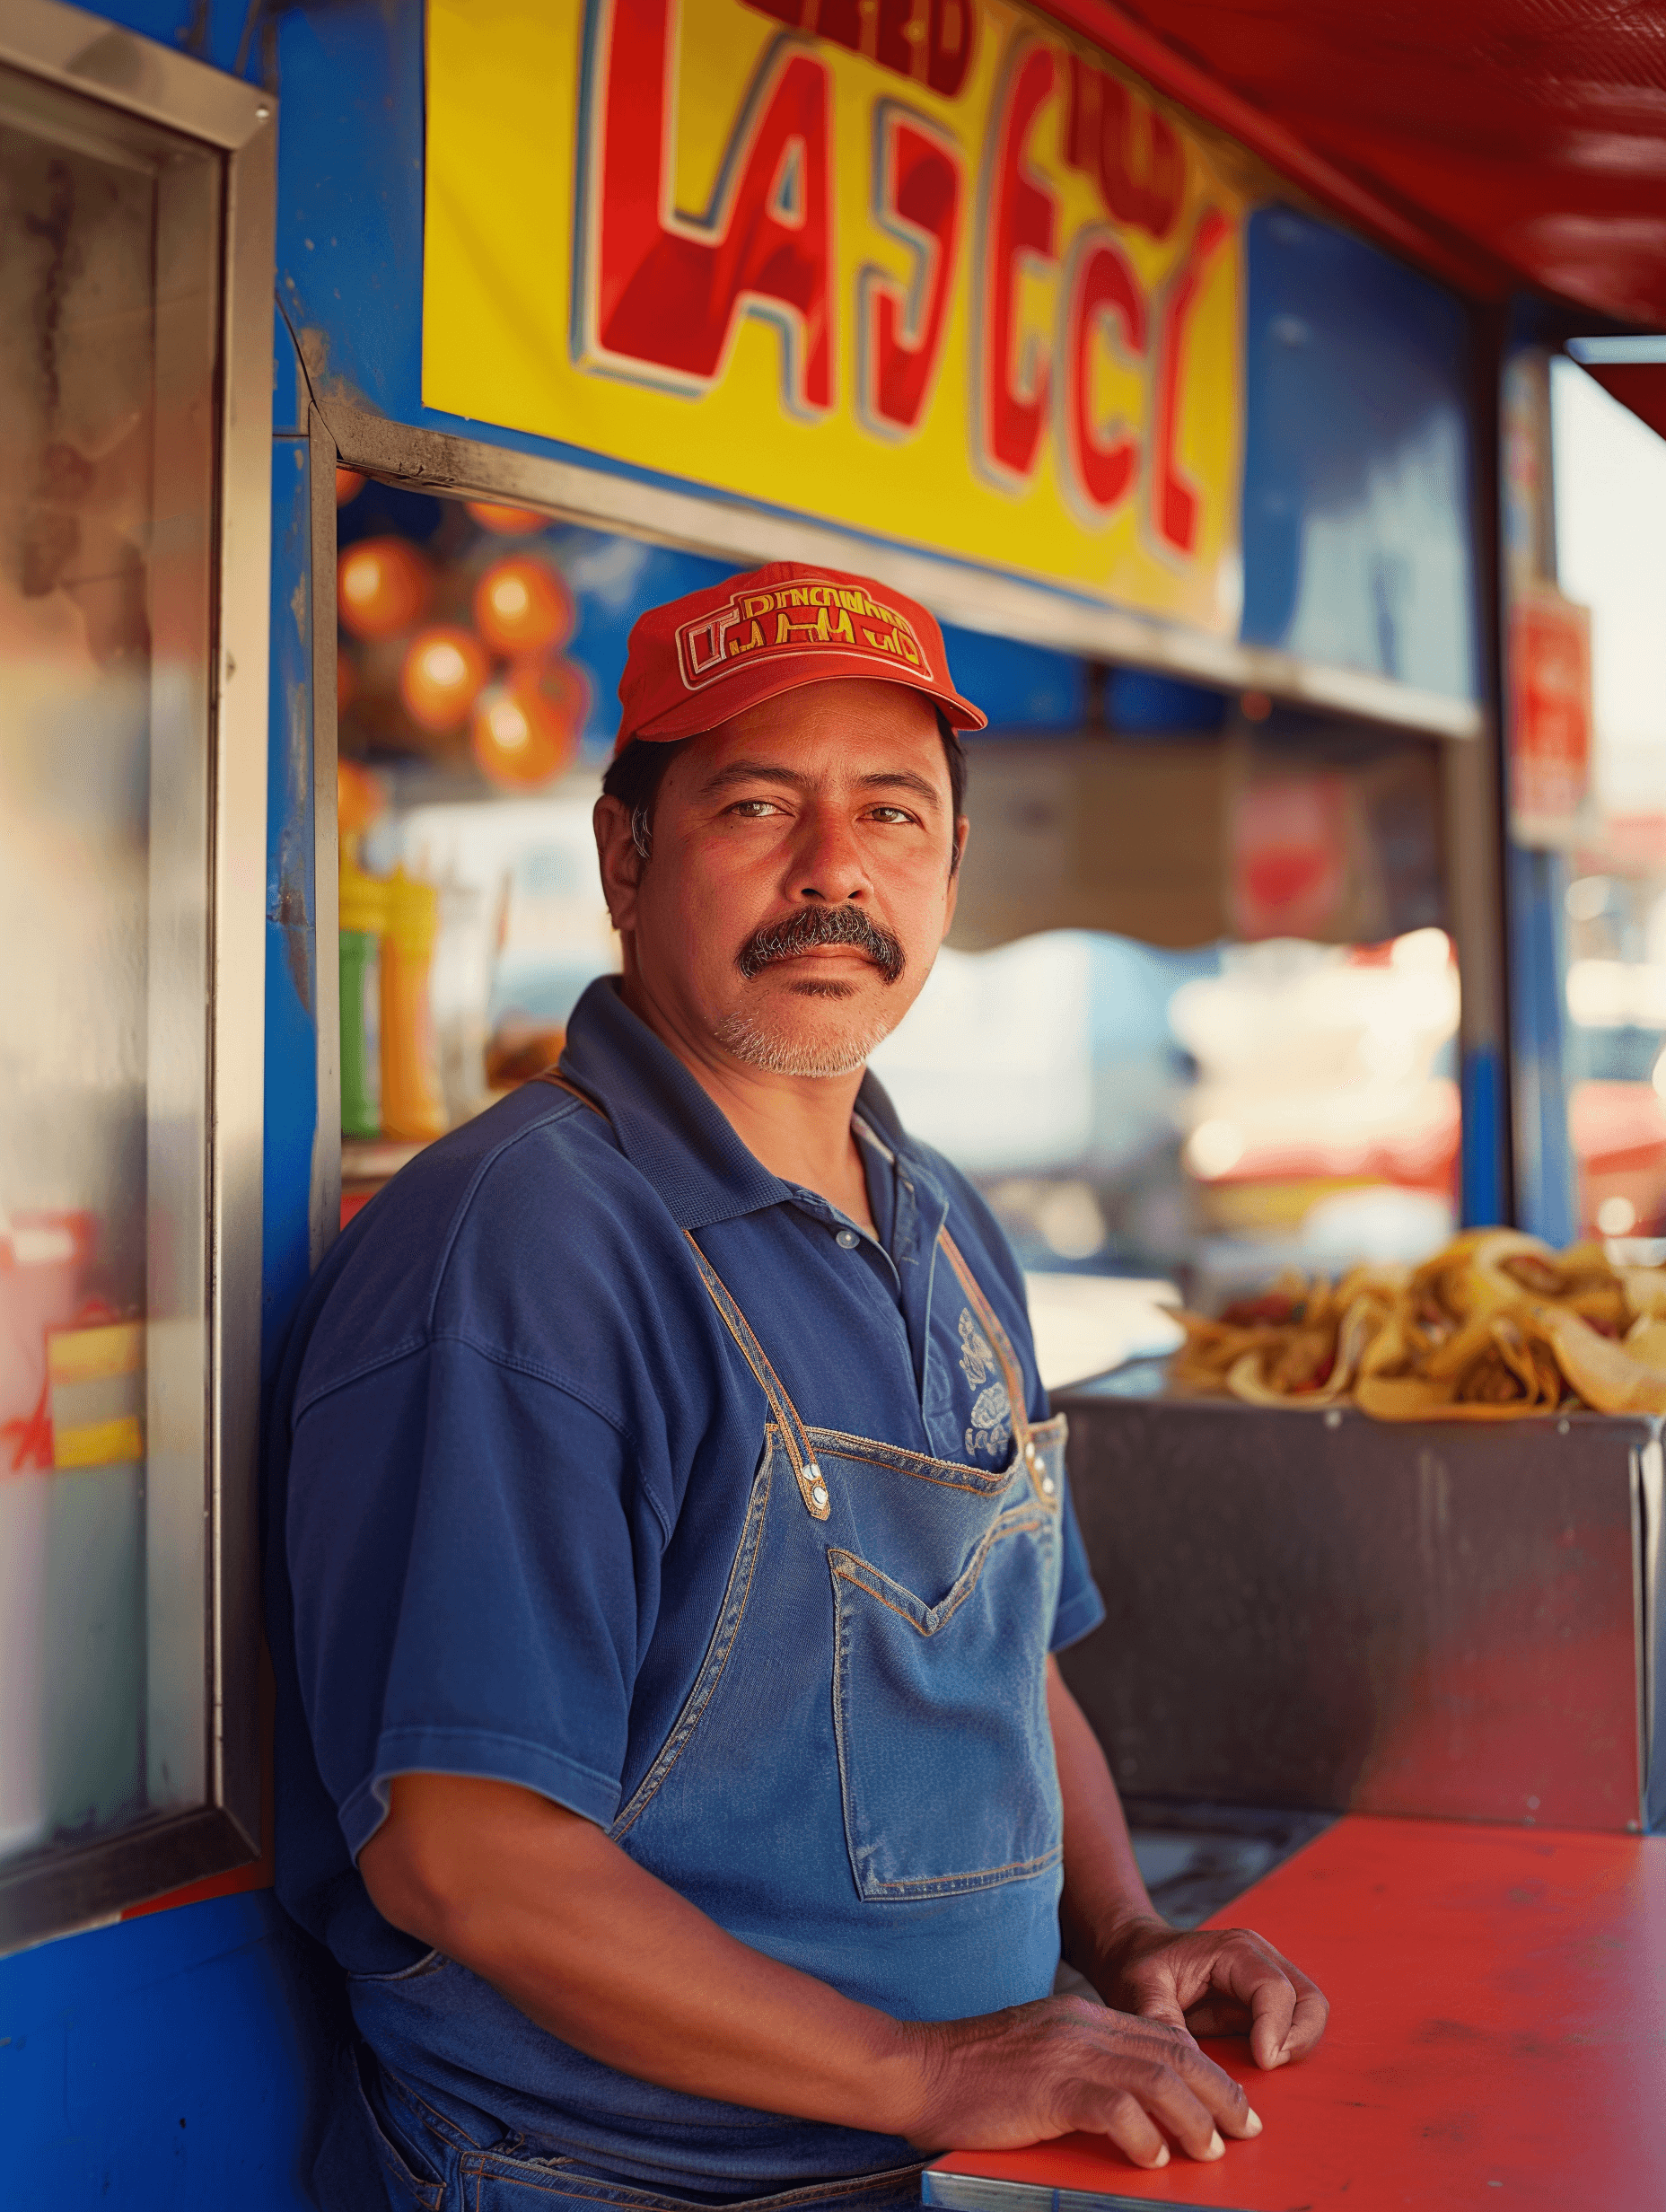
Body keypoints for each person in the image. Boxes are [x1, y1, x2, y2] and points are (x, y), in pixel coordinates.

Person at [266, 561, 1327, 2212]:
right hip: (601, 2181)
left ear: (956, 866)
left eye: (894, 815)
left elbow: (994, 1652)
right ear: (625, 857)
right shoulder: (527, 1246)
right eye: (759, 805)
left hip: (918, 2166)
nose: (836, 872)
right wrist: (933, 2066)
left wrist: (1125, 1942)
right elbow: (466, 1856)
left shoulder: (946, 1220)